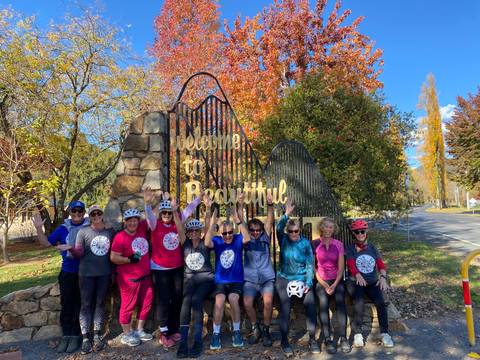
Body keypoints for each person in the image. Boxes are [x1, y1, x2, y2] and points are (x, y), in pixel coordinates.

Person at [143, 187, 198, 348]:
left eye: (169, 212)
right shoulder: (155, 225)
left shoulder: (177, 220)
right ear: (160, 214)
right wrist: (147, 203)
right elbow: (149, 217)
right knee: (164, 301)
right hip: (160, 269)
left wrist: (199, 198)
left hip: (176, 267)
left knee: (177, 298)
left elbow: (189, 209)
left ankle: (174, 329)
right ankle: (164, 332)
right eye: (164, 213)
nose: (167, 215)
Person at [32, 200, 88, 354]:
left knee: (80, 305)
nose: (77, 214)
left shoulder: (90, 227)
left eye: (80, 211)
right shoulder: (63, 229)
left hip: (85, 272)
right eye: (73, 211)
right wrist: (38, 228)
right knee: (67, 303)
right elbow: (45, 243)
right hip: (68, 272)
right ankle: (66, 334)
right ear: (69, 212)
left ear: (84, 212)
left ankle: (76, 335)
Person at [205, 196, 251, 351]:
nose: (228, 236)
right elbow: (206, 242)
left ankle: (236, 331)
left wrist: (238, 220)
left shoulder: (238, 239)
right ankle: (216, 334)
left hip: (236, 280)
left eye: (230, 232)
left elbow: (247, 237)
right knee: (219, 300)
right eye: (225, 234)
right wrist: (213, 223)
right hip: (221, 280)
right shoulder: (218, 241)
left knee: (232, 298)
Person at [275, 199, 318, 357]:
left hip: (301, 278)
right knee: (285, 306)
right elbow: (279, 228)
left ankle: (313, 339)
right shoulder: (284, 240)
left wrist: (307, 283)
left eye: (296, 231)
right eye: (291, 231)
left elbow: (309, 265)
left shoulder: (306, 244)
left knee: (310, 303)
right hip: (284, 277)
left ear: (300, 231)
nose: (293, 234)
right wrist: (286, 214)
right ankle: (284, 341)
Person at [70, 205, 115, 354]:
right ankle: (85, 338)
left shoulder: (110, 231)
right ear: (89, 216)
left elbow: (114, 252)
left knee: (100, 304)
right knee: (86, 305)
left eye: (98, 213)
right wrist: (70, 249)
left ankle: (96, 335)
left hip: (104, 274)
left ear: (102, 214)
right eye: (93, 214)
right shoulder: (83, 232)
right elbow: (79, 253)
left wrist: (114, 273)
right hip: (86, 274)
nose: (96, 216)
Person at [345, 219, 394, 348]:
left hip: (372, 281)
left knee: (380, 302)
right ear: (353, 234)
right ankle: (357, 334)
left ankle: (385, 333)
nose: (360, 234)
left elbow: (381, 265)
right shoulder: (350, 248)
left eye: (362, 231)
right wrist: (357, 274)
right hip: (357, 282)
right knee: (359, 302)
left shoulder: (372, 247)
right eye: (357, 232)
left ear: (366, 232)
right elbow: (350, 263)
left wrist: (383, 277)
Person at [176, 196, 215, 358]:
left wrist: (207, 208)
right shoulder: (184, 243)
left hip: (205, 280)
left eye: (196, 231)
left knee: (196, 300)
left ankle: (197, 341)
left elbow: (208, 227)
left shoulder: (205, 243)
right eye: (190, 231)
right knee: (186, 302)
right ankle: (183, 342)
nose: (193, 234)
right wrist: (173, 210)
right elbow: (179, 228)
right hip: (190, 280)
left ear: (200, 232)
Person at [110, 208, 154, 347]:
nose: (133, 223)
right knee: (127, 306)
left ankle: (139, 330)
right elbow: (113, 257)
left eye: (135, 220)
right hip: (129, 279)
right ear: (125, 222)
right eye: (130, 220)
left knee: (147, 301)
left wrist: (150, 201)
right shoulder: (120, 237)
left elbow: (154, 215)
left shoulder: (141, 228)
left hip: (145, 276)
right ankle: (127, 334)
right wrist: (129, 260)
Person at [313, 217, 350, 354]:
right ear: (321, 228)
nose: (328, 229)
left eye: (331, 227)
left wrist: (334, 285)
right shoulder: (315, 244)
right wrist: (323, 283)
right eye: (326, 226)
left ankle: (343, 338)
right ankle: (328, 339)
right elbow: (314, 268)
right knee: (323, 303)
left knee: (341, 302)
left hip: (336, 279)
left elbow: (341, 268)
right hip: (321, 280)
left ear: (334, 229)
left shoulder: (339, 244)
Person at [243, 193, 275, 347]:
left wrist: (270, 205)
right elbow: (240, 223)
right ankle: (256, 328)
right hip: (250, 280)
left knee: (268, 302)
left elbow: (269, 221)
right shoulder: (246, 240)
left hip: (267, 278)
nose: (255, 232)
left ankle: (266, 330)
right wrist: (239, 204)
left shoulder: (265, 237)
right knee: (247, 303)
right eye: (252, 230)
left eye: (258, 230)